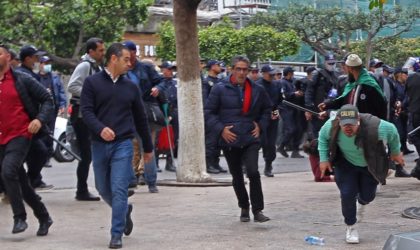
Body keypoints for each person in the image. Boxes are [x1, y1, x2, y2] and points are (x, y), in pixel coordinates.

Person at [81, 42, 153, 249]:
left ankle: (116, 234)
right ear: (114, 58)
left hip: (123, 143)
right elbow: (86, 112)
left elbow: (141, 119)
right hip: (99, 144)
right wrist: (100, 128)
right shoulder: (92, 83)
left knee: (119, 188)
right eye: (126, 59)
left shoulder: (131, 86)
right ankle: (124, 211)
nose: (129, 64)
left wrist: (148, 148)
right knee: (102, 188)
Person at [318, 104, 404, 244]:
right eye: (344, 124)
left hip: (369, 164)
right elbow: (322, 139)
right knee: (347, 193)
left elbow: (393, 132)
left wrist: (395, 152)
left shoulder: (378, 127)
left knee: (368, 196)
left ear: (358, 120)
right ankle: (351, 226)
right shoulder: (330, 126)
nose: (348, 128)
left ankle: (362, 202)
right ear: (338, 121)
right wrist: (323, 159)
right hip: (345, 163)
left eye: (352, 124)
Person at [205, 55, 272, 223]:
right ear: (232, 69)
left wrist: (260, 125)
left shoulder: (257, 90)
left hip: (250, 137)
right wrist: (221, 130)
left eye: (245, 69)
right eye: (239, 69)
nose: (242, 73)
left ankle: (258, 210)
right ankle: (244, 206)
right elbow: (208, 113)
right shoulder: (219, 89)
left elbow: (268, 110)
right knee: (237, 176)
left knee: (253, 172)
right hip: (230, 139)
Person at [0, 44, 54, 236]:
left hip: (20, 135)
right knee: (20, 181)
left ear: (7, 57)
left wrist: (39, 120)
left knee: (8, 171)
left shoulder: (22, 79)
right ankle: (44, 216)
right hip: (1, 138)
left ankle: (19, 217)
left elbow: (47, 100)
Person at [123, 40, 166, 193]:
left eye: (128, 53)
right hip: (126, 113)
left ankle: (151, 182)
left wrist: (157, 89)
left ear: (134, 52)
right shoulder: (121, 69)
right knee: (128, 148)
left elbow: (161, 81)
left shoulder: (146, 68)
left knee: (147, 148)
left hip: (145, 113)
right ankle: (130, 180)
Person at [68, 37, 105, 201]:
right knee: (86, 155)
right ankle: (81, 190)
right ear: (91, 51)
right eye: (100, 50)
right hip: (82, 116)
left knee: (92, 154)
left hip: (91, 115)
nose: (102, 53)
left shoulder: (97, 67)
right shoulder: (85, 66)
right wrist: (91, 93)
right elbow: (72, 86)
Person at [16, 45, 53, 190]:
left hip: (33, 124)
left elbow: (45, 98)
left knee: (38, 153)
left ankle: (31, 182)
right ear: (27, 59)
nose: (39, 61)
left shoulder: (30, 75)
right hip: (22, 125)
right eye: (36, 58)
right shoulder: (21, 76)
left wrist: (40, 118)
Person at [319, 54, 387, 121]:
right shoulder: (349, 83)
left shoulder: (369, 84)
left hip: (369, 126)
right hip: (352, 125)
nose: (342, 68)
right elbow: (343, 100)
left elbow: (381, 106)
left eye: (344, 66)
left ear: (350, 69)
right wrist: (327, 105)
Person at [38, 56, 67, 168]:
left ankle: (47, 158)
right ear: (40, 64)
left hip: (52, 110)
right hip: (40, 110)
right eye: (45, 63)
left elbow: (61, 92)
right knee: (41, 134)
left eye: (49, 63)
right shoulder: (36, 78)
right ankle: (40, 157)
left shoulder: (54, 77)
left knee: (50, 133)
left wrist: (62, 105)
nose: (47, 65)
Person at [256, 65, 282, 177]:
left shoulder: (276, 85)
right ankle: (248, 166)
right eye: (269, 73)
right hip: (260, 117)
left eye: (273, 73)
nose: (271, 76)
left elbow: (279, 101)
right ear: (263, 73)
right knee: (258, 142)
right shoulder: (257, 85)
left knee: (271, 144)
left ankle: (268, 165)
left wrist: (275, 113)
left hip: (272, 117)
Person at [305, 54, 340, 138]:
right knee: (318, 134)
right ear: (325, 63)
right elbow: (309, 91)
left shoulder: (337, 75)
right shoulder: (317, 73)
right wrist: (308, 109)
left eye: (333, 63)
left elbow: (336, 92)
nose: (331, 65)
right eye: (329, 63)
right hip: (317, 109)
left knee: (331, 133)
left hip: (330, 109)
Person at [203, 59, 226, 174]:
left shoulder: (221, 81)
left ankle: (216, 163)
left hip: (220, 114)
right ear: (212, 67)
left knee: (218, 142)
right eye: (217, 65)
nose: (220, 67)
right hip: (211, 115)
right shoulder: (206, 82)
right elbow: (205, 100)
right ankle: (209, 164)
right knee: (210, 142)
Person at [278, 66, 305, 158]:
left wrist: (299, 94)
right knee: (290, 129)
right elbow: (283, 95)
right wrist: (294, 94)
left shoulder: (292, 82)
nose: (292, 74)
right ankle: (282, 146)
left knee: (299, 129)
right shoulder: (282, 83)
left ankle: (295, 150)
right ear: (288, 73)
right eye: (291, 73)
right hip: (285, 108)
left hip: (294, 108)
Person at [158, 61, 177, 172]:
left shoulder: (175, 82)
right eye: (168, 69)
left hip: (174, 111)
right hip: (162, 112)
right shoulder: (159, 83)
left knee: (173, 139)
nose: (171, 72)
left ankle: (169, 163)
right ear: (163, 70)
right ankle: (155, 163)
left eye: (172, 69)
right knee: (158, 139)